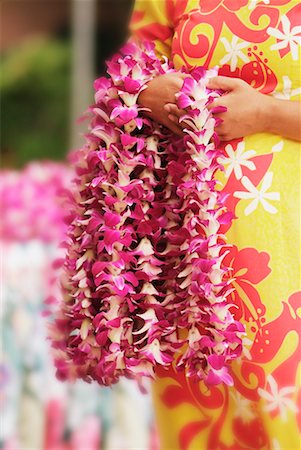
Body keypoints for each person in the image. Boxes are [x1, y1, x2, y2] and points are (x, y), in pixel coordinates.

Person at [130, 1, 301, 449]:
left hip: (287, 241)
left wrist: (268, 114)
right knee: (201, 411)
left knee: (283, 400)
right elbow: (128, 73)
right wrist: (146, 90)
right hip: (184, 249)